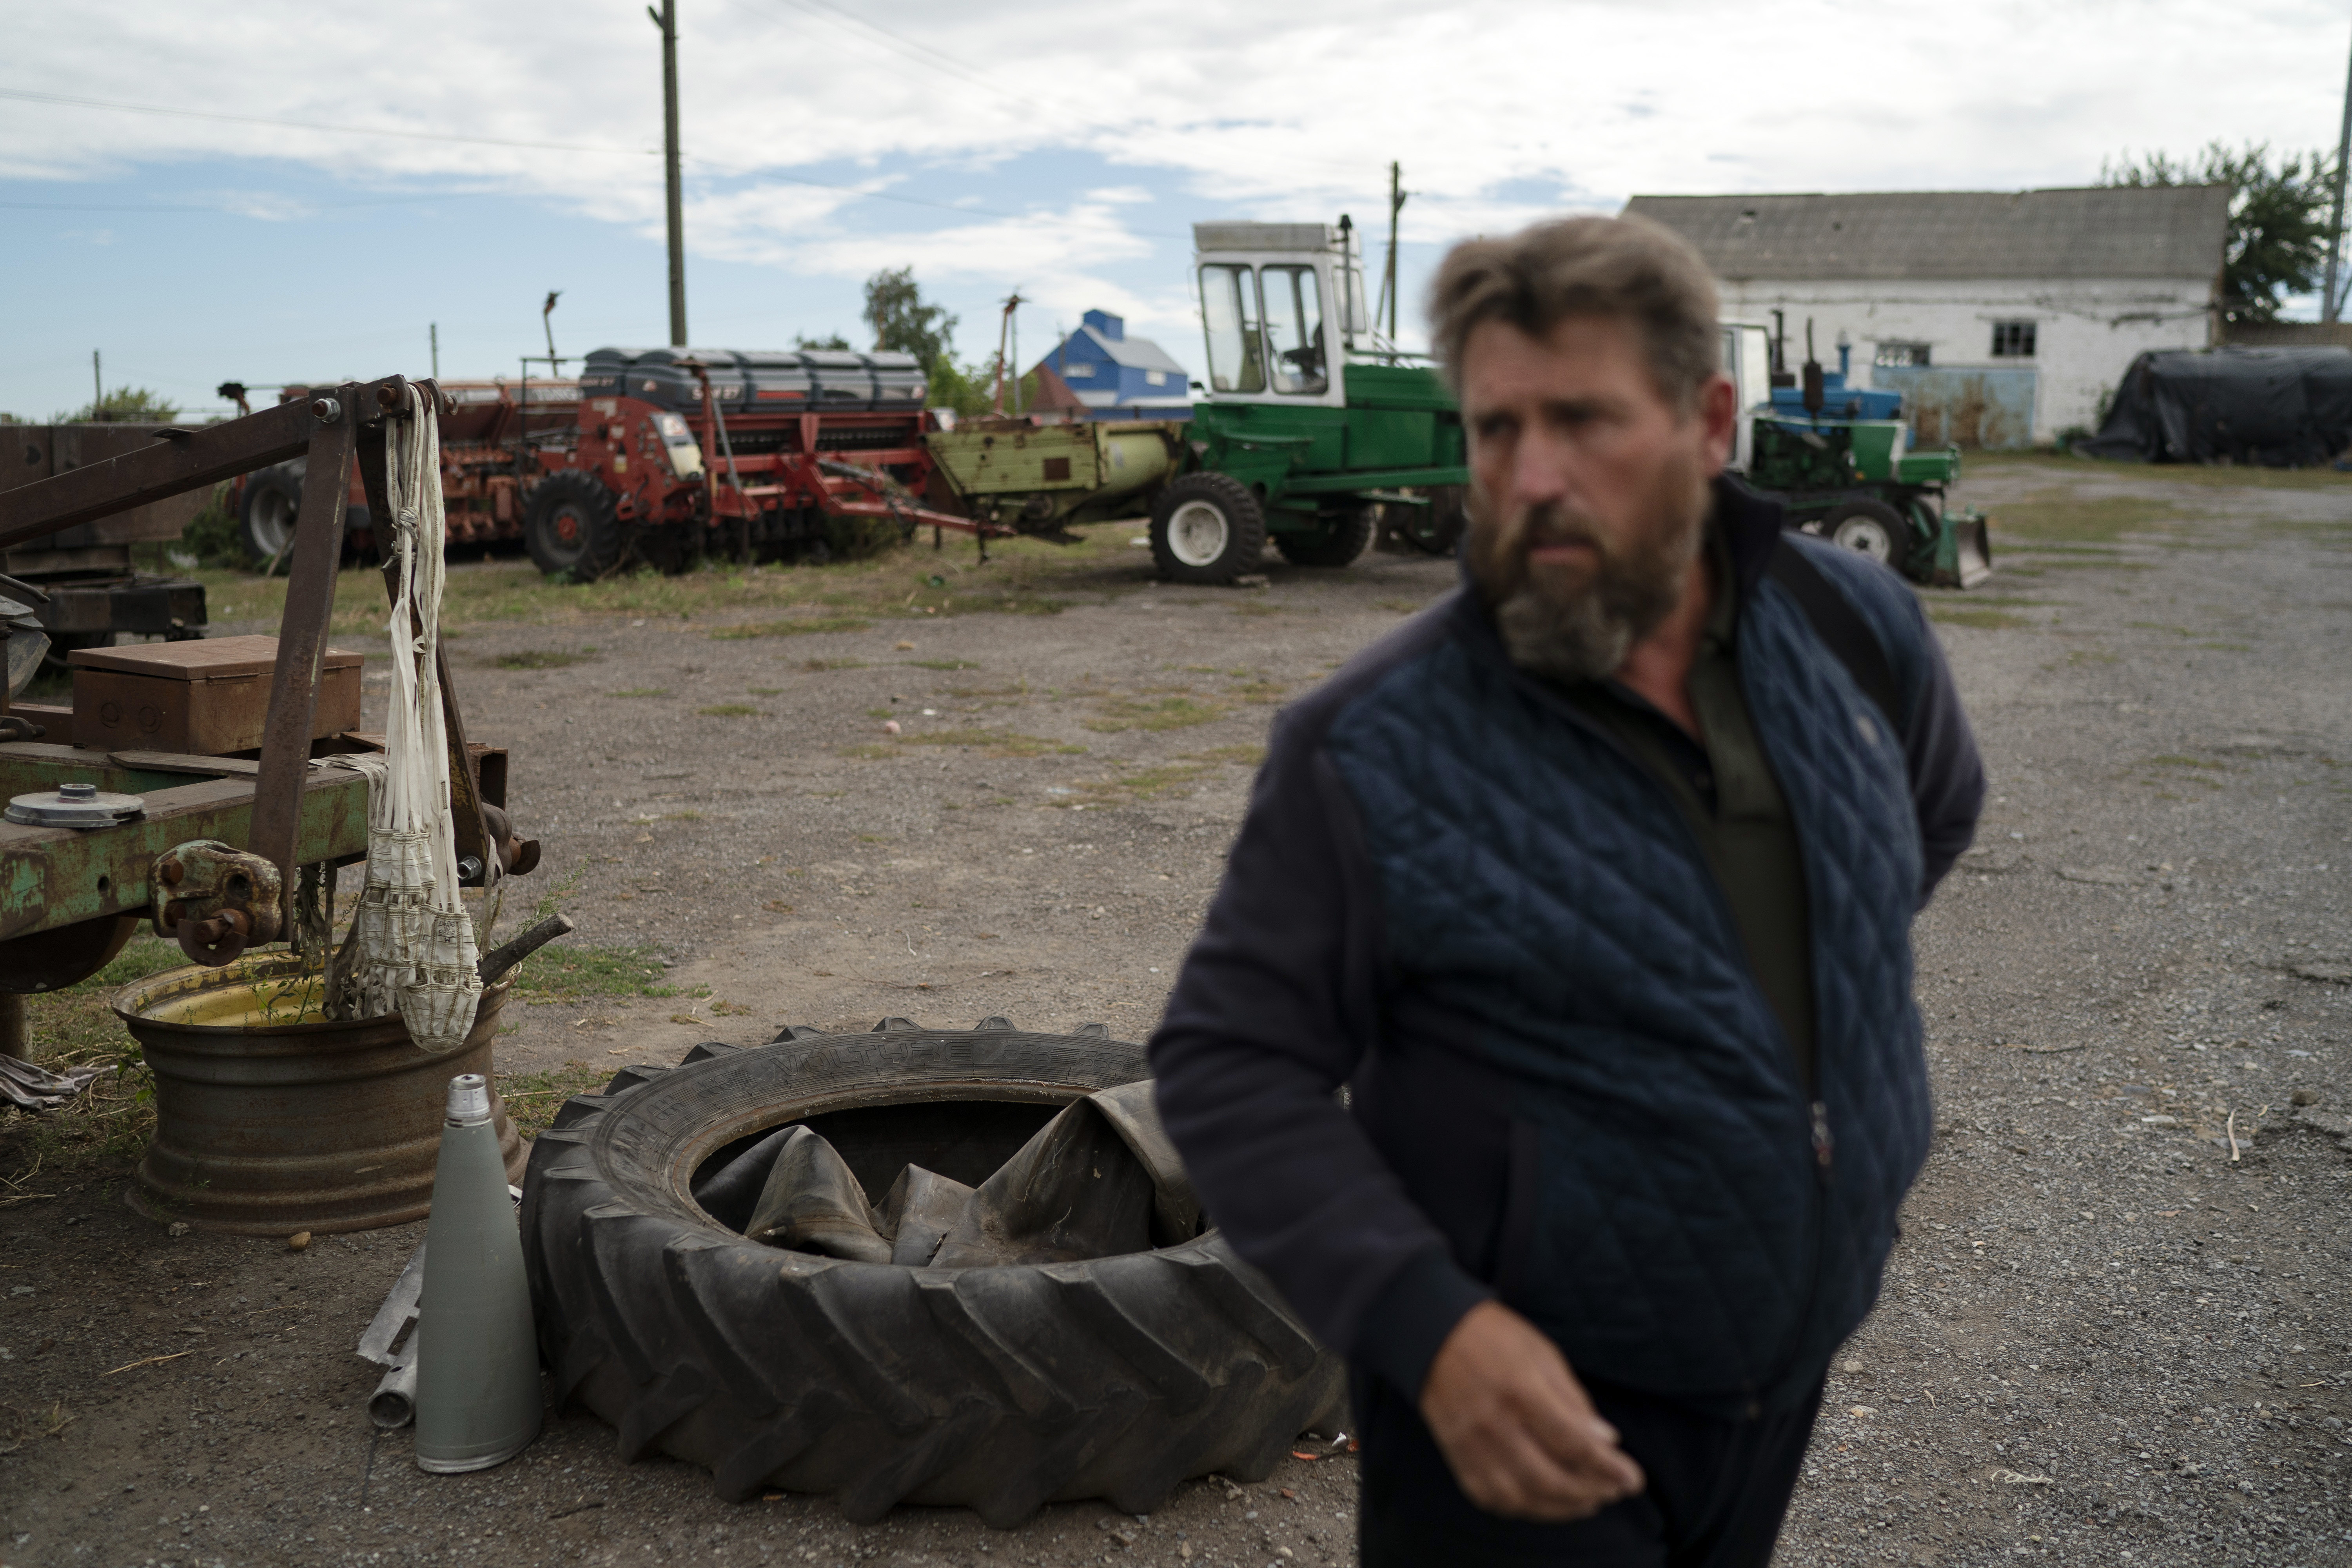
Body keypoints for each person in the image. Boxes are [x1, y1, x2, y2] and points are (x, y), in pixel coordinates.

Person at [1148, 214, 1984, 1566]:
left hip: (1783, 1365)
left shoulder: (1855, 625)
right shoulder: (1371, 744)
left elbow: (1928, 819)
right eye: (1495, 430)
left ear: (1709, 421)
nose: (1531, 477)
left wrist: (1799, 1080)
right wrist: (1435, 1330)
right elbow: (1230, 1065)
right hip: (1514, 1430)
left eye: (1585, 421)